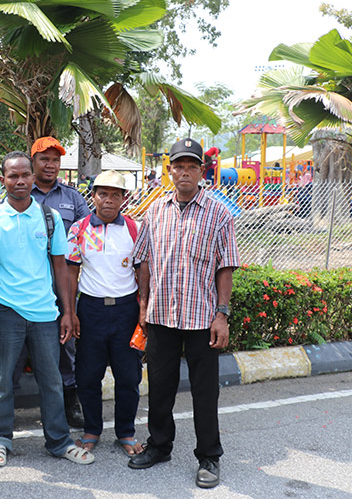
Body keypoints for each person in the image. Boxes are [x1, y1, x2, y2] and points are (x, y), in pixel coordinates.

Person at [128, 138, 239, 489]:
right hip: (161, 316)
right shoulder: (155, 211)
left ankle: (209, 456)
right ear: (170, 170)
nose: (185, 172)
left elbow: (226, 267)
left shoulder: (219, 213)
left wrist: (222, 314)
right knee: (160, 387)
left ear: (201, 172)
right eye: (180, 166)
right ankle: (160, 446)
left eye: (192, 166)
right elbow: (143, 259)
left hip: (202, 318)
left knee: (205, 392)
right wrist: (144, 304)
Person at [0, 151, 94, 468]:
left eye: (25, 174)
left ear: (32, 176)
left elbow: (60, 268)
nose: (20, 181)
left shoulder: (50, 218)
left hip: (45, 314)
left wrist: (67, 312)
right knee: (0, 380)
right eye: (13, 176)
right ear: (3, 180)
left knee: (52, 380)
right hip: (6, 312)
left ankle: (59, 441)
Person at [66, 170, 143, 458]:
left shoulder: (135, 229)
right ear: (93, 196)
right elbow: (71, 272)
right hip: (91, 311)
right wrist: (70, 312)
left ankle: (125, 431)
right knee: (87, 375)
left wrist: (143, 311)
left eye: (115, 194)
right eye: (103, 193)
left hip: (126, 311)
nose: (108, 200)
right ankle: (92, 430)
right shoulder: (79, 229)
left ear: (124, 198)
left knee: (128, 376)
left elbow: (142, 272)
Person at [29, 136, 89, 427]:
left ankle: (70, 402)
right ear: (33, 162)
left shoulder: (73, 198)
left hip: (64, 282)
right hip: (29, 283)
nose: (50, 165)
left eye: (55, 160)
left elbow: (87, 234)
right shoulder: (19, 194)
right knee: (23, 344)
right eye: (44, 159)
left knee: (67, 342)